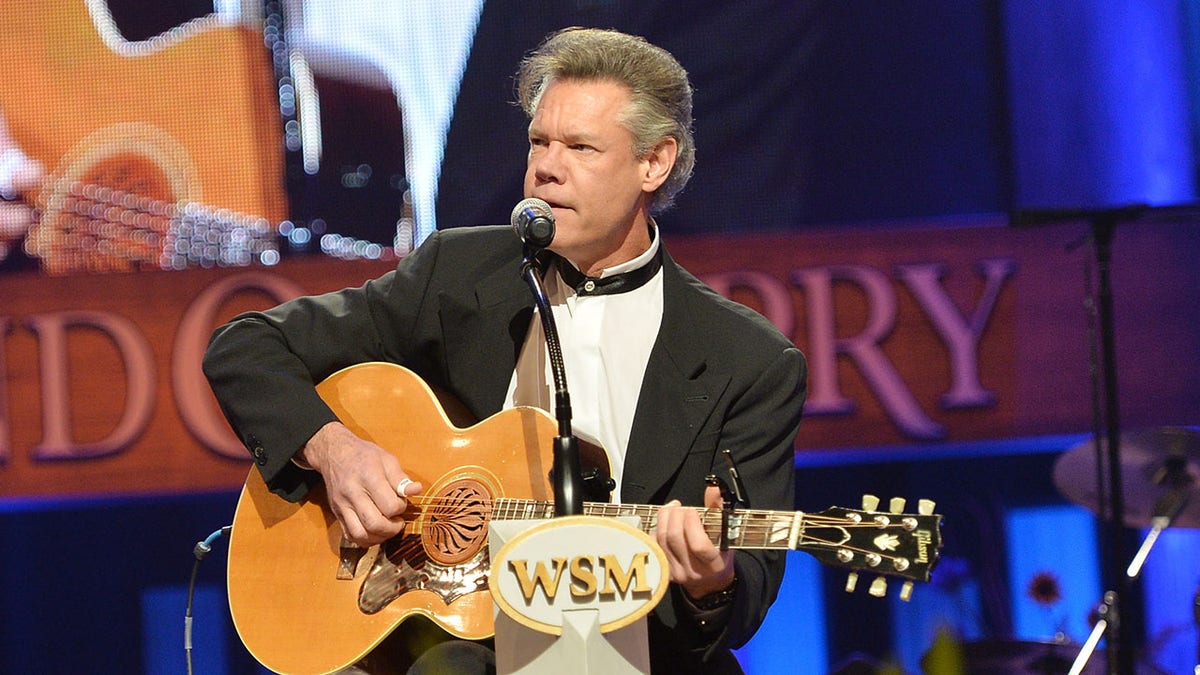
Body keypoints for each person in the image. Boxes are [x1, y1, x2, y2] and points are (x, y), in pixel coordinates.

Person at [203, 27, 807, 674]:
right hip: (450, 644)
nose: (546, 167)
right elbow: (247, 347)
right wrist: (335, 450)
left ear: (654, 163)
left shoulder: (749, 361)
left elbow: (746, 590)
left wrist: (711, 581)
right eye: (539, 142)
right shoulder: (459, 274)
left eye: (580, 147)